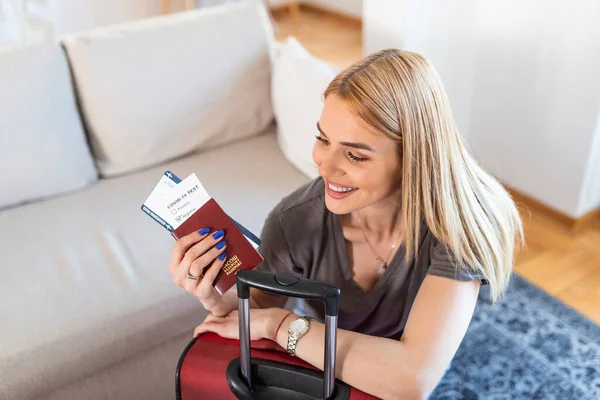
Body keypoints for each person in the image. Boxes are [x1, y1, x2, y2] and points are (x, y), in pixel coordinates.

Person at [168, 49, 523, 399]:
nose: (324, 167)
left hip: (346, 346)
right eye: (323, 139)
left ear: (412, 158)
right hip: (322, 353)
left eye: (354, 154)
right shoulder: (293, 221)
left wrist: (281, 325)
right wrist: (215, 297)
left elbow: (411, 380)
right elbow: (255, 310)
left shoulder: (461, 224)